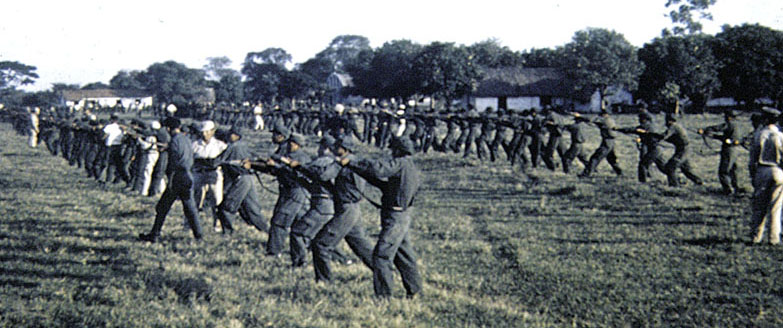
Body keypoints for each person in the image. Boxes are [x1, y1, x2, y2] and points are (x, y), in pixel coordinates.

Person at [340, 136, 422, 299]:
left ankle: (383, 297)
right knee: (404, 255)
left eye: (393, 150)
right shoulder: (410, 167)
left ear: (398, 150)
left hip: (395, 217)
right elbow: (385, 185)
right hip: (400, 216)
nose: (391, 153)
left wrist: (352, 162)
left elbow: (378, 170)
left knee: (381, 256)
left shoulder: (400, 163)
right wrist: (358, 169)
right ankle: (415, 291)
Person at [311, 135, 375, 283]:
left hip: (346, 209)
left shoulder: (342, 163)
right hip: (353, 208)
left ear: (344, 149)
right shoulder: (357, 161)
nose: (333, 148)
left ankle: (324, 282)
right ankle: (384, 271)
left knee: (320, 244)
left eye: (337, 147)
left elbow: (324, 176)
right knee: (361, 246)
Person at [139, 117, 203, 242]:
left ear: (168, 128)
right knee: (190, 208)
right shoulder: (186, 139)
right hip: (188, 175)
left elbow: (174, 161)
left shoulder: (174, 141)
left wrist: (170, 178)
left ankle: (155, 234)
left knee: (162, 207)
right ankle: (198, 235)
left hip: (178, 177)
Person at [213, 125, 269, 234]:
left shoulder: (234, 147)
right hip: (248, 179)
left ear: (236, 136)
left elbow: (217, 161)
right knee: (252, 209)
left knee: (227, 207)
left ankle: (228, 232)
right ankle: (266, 231)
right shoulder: (243, 145)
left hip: (240, 180)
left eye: (231, 134)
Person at [748, 106, 783, 244]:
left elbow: (752, 158)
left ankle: (756, 237)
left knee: (759, 207)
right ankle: (774, 238)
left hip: (762, 170)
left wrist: (753, 175)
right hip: (778, 170)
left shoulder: (759, 134)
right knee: (776, 207)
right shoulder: (780, 136)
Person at [191, 120, 228, 231]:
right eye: (202, 132)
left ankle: (218, 224)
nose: (204, 134)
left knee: (217, 200)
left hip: (213, 174)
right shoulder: (194, 145)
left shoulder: (220, 145)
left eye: (207, 132)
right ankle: (191, 224)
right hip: (199, 173)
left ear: (213, 132)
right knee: (195, 200)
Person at [699, 110, 743, 194]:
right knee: (733, 170)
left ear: (729, 117)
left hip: (728, 150)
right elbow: (724, 137)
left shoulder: (729, 124)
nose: (725, 118)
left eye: (726, 116)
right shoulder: (737, 125)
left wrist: (705, 130)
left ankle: (728, 190)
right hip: (735, 150)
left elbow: (717, 128)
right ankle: (736, 187)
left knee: (723, 171)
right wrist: (712, 135)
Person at [659, 113, 703, 187]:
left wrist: (651, 136)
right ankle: (699, 182)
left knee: (670, 167)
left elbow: (664, 136)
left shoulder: (673, 127)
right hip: (685, 149)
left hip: (683, 149)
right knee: (686, 169)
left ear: (669, 121)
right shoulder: (677, 126)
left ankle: (674, 187)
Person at [580, 110, 623, 178]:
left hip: (606, 142)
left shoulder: (604, 120)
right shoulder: (610, 120)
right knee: (611, 159)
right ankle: (620, 172)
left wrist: (579, 116)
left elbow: (591, 120)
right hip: (612, 142)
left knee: (595, 158)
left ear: (604, 115)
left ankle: (586, 174)